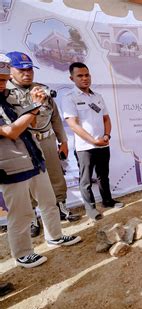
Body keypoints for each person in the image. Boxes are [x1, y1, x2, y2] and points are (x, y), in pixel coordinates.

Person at [0, 55, 81, 268]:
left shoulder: (9, 96)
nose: (2, 84)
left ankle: (55, 235)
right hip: (11, 166)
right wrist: (33, 107)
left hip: (34, 157)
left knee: (48, 201)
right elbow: (11, 131)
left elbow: (33, 123)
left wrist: (34, 103)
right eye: (0, 79)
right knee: (21, 212)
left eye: (3, 79)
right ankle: (23, 253)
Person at [62, 62, 124, 220]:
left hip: (102, 144)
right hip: (85, 147)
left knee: (104, 175)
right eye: (80, 76)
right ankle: (90, 209)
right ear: (72, 78)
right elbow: (73, 125)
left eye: (87, 75)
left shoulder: (97, 97)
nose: (84, 78)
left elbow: (106, 119)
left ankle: (108, 201)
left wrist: (107, 136)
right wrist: (92, 141)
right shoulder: (69, 98)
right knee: (86, 180)